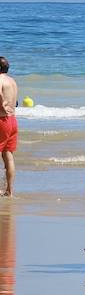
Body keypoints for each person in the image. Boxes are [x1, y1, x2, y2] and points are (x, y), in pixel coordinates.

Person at [0, 56, 18, 196]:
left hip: (2, 120)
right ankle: (10, 191)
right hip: (12, 120)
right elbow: (15, 101)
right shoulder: (12, 81)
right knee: (8, 155)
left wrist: (1, 105)